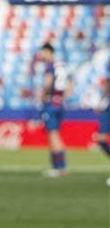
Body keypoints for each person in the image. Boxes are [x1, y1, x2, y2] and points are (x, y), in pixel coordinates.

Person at [34, 42, 68, 177]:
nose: (40, 55)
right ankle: (60, 166)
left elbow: (48, 83)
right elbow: (70, 83)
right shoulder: (61, 65)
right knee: (56, 134)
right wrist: (62, 98)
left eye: (42, 52)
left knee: (53, 135)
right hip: (59, 103)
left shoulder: (50, 66)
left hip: (51, 104)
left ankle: (59, 167)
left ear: (48, 52)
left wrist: (42, 96)